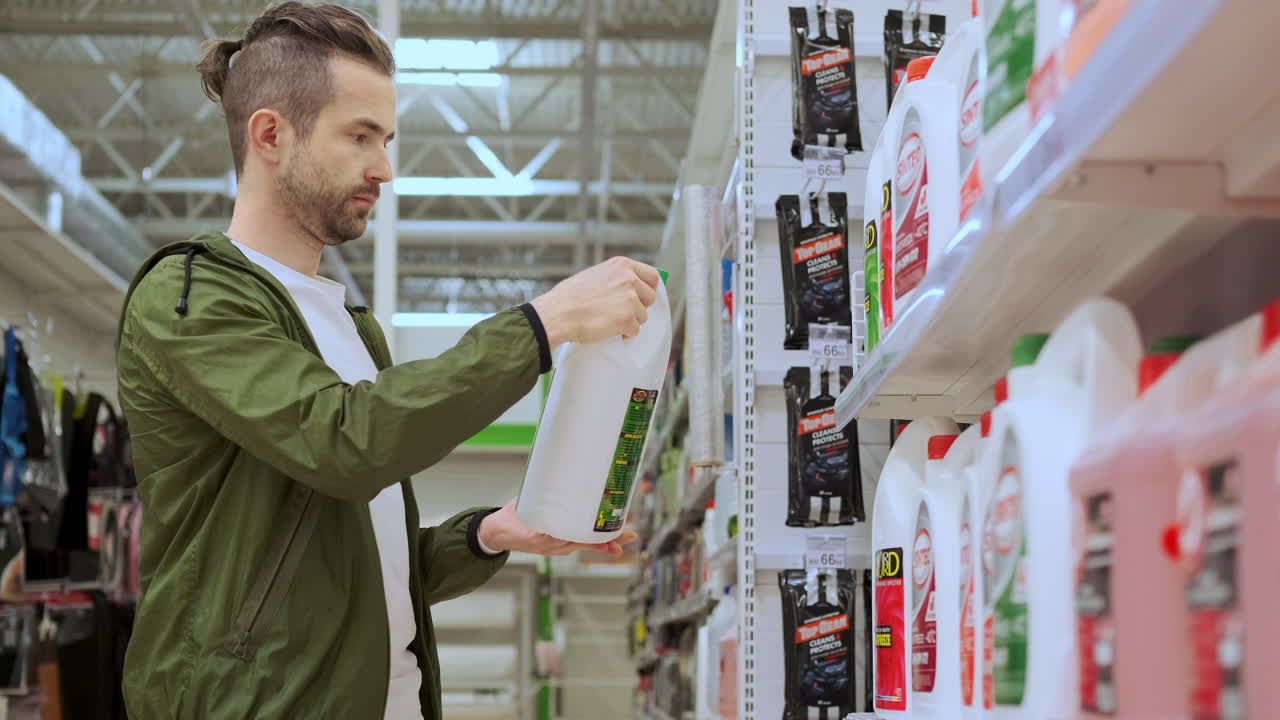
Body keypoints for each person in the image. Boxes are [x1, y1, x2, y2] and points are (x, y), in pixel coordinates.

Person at [114, 3, 656, 718]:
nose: (385, 168)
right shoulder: (190, 298)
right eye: (360, 136)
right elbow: (346, 441)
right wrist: (543, 324)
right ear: (271, 134)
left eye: (388, 139)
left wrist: (491, 533)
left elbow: (358, 581)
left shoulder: (347, 326)